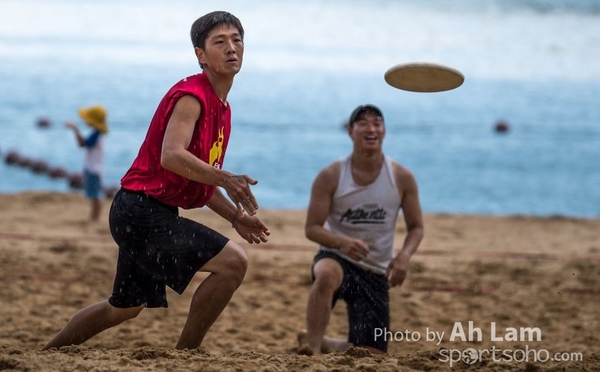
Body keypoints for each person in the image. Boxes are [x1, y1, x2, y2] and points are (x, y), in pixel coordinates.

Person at [44, 11, 270, 351]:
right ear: (200, 54)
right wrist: (226, 177)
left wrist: (235, 216)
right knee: (233, 263)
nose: (231, 48)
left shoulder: (223, 108)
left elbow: (195, 175)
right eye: (219, 42)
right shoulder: (192, 96)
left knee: (123, 308)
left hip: (145, 212)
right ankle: (187, 353)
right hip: (140, 212)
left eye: (237, 40)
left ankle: (45, 353)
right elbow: (172, 157)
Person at [298, 104, 424, 355]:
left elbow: (416, 227)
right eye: (363, 123)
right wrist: (342, 243)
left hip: (376, 270)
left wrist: (402, 258)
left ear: (384, 132)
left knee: (371, 355)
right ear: (350, 131)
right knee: (326, 275)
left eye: (377, 123)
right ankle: (312, 348)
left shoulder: (401, 177)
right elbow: (312, 229)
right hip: (338, 257)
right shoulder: (331, 175)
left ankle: (326, 343)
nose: (371, 128)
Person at [65, 105, 108, 223]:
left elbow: (83, 144)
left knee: (95, 195)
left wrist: (75, 129)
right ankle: (94, 217)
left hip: (94, 169)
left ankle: (95, 218)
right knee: (93, 194)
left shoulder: (97, 134)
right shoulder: (98, 133)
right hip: (94, 168)